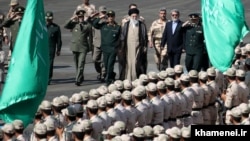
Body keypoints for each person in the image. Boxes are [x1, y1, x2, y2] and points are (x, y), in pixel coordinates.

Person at [90, 10, 121, 86]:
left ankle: (108, 80)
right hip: (105, 49)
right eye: (109, 16)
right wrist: (100, 17)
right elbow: (94, 24)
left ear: (114, 17)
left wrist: (117, 47)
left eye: (112, 16)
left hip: (113, 49)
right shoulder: (103, 25)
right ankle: (112, 75)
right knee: (106, 66)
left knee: (110, 65)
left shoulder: (118, 27)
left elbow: (120, 39)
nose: (110, 18)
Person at [64, 9, 93, 86]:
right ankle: (80, 76)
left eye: (82, 17)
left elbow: (90, 37)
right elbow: (65, 25)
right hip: (75, 46)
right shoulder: (74, 24)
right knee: (77, 64)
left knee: (81, 64)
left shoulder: (87, 25)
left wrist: (90, 48)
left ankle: (77, 80)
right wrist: (72, 18)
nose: (81, 18)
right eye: (79, 17)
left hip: (83, 47)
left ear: (83, 17)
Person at [119, 8, 148, 81]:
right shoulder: (126, 25)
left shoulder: (141, 25)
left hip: (138, 46)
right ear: (130, 16)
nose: (134, 18)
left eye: (136, 16)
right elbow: (122, 36)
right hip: (128, 47)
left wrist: (144, 46)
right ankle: (128, 79)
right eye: (133, 16)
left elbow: (144, 37)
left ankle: (136, 79)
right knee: (129, 63)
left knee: (136, 62)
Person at [90, 6, 107, 82]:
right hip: (97, 43)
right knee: (95, 59)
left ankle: (103, 75)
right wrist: (97, 17)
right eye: (102, 12)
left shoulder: (107, 20)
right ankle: (100, 71)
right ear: (99, 12)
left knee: (103, 61)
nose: (103, 14)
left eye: (104, 12)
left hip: (105, 43)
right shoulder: (96, 20)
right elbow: (92, 23)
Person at [45, 11, 62, 85]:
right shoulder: (41, 26)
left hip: (51, 48)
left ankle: (48, 78)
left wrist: (58, 49)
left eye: (50, 19)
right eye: (47, 19)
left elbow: (58, 39)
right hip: (42, 49)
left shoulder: (56, 27)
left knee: (50, 64)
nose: (48, 20)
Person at [0, 12, 8, 84]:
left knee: (1, 63)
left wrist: (5, 37)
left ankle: (1, 79)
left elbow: (5, 39)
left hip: (0, 49)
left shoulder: (2, 28)